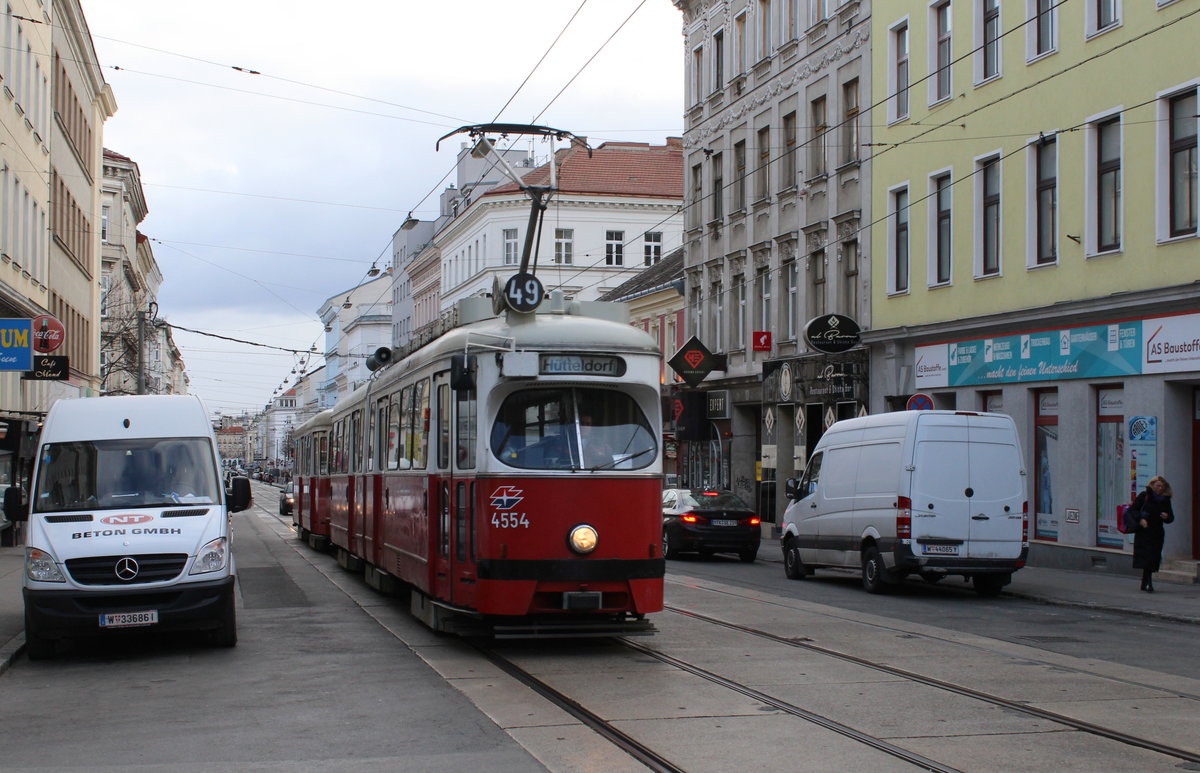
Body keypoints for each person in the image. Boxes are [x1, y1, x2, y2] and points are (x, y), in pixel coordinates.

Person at [1131, 475, 1174, 592]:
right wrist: (1141, 519)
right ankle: (1149, 583)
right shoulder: (1144, 496)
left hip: (1157, 532)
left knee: (1153, 557)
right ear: (1152, 485)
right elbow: (1133, 510)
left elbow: (1171, 518)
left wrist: (1166, 517)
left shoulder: (1165, 499)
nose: (1160, 488)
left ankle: (1144, 582)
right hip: (1144, 531)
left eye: (1162, 486)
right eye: (1158, 486)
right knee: (1146, 556)